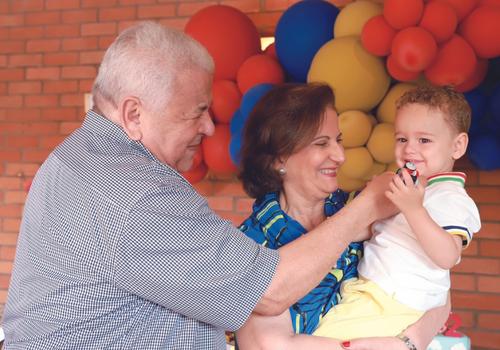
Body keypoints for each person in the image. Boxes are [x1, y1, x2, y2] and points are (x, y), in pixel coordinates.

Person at [2, 22, 395, 350]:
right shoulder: (139, 192)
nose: (209, 127)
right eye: (196, 113)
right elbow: (269, 291)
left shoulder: (73, 157)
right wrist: (362, 211)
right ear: (134, 114)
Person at [235, 83, 476, 350]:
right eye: (321, 143)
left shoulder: (356, 203)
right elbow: (270, 345)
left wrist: (410, 342)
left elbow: (436, 283)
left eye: (338, 140)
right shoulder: (253, 245)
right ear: (279, 157)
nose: (340, 156)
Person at [312, 84, 481, 341]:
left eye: (424, 140)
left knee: (320, 341)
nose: (409, 149)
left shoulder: (451, 197)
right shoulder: (410, 187)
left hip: (394, 302)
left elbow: (447, 256)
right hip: (373, 293)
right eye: (402, 139)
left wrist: (413, 209)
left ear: (457, 146)